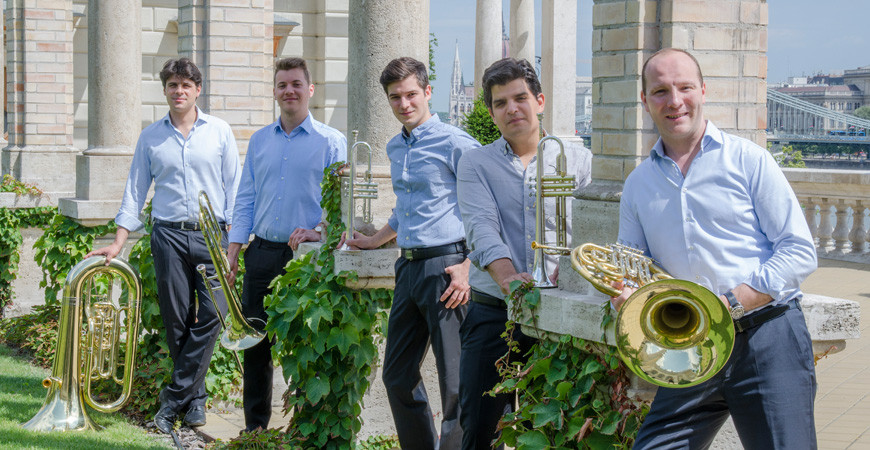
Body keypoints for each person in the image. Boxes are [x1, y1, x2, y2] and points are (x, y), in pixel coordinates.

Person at [612, 48, 818, 449]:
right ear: (645, 100)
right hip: (690, 349)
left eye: (685, 87)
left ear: (703, 91)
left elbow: (798, 251)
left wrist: (731, 303)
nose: (674, 101)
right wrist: (625, 295)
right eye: (660, 91)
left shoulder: (750, 161)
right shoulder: (638, 184)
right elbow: (631, 265)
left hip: (767, 340)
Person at [87, 58, 241, 433]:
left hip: (212, 235)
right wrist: (118, 242)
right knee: (176, 321)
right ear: (165, 91)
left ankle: (172, 401)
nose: (179, 91)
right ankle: (195, 402)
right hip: (168, 235)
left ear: (198, 90)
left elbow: (236, 189)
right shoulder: (150, 137)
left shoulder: (219, 131)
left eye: (186, 85)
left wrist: (234, 244)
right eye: (172, 85)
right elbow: (135, 191)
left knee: (214, 315)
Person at [338, 56, 480, 450]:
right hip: (409, 267)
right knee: (397, 375)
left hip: (448, 268)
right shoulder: (395, 146)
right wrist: (376, 240)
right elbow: (405, 209)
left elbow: (487, 209)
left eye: (411, 94)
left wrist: (468, 266)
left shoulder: (456, 143)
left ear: (428, 92)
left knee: (455, 382)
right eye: (395, 97)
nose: (404, 103)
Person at [456, 57, 592, 449]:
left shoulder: (578, 160)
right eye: (500, 103)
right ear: (491, 112)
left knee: (552, 433)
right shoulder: (475, 163)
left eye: (520, 98)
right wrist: (508, 278)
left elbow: (591, 232)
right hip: (494, 312)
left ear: (540, 101)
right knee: (480, 430)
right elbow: (481, 227)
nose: (512, 109)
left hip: (559, 314)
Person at [227, 57, 346, 433]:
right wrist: (234, 249)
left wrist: (320, 230)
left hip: (304, 259)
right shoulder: (259, 140)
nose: (289, 91)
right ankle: (255, 430)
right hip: (261, 254)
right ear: (275, 92)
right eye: (282, 85)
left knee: (307, 345)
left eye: (296, 84)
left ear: (310, 90)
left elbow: (341, 205)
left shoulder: (331, 141)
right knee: (255, 345)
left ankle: (305, 429)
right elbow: (246, 197)